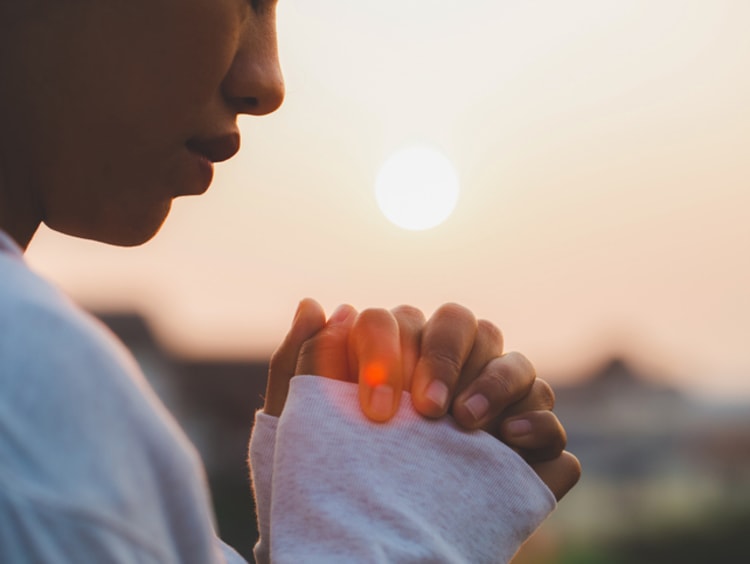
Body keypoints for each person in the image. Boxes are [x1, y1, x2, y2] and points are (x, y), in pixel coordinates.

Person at [0, 1, 580, 563]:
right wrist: (396, 536)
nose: (268, 83)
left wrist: (322, 524)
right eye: (248, 1)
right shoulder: (29, 387)